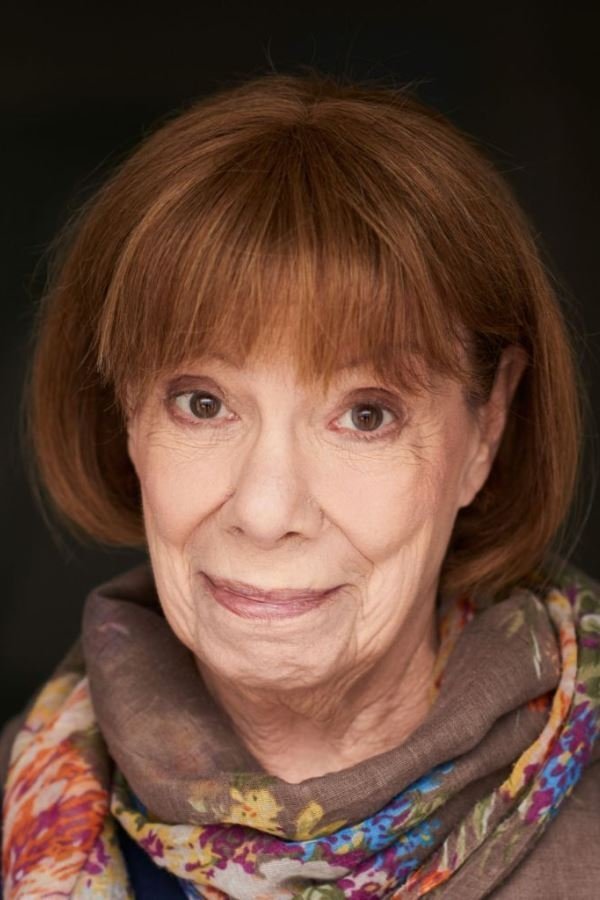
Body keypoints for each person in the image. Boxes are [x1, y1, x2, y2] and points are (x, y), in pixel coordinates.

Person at [0, 68, 598, 899]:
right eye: (202, 403)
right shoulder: (16, 796)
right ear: (125, 415)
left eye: (366, 414)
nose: (266, 509)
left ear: (487, 424)